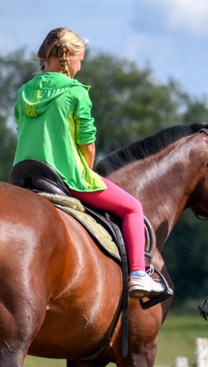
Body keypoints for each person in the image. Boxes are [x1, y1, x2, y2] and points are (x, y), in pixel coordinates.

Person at [13, 27, 165, 299]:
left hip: (24, 176)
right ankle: (139, 275)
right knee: (133, 207)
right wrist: (86, 170)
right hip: (66, 176)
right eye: (80, 60)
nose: (80, 66)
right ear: (67, 57)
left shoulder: (25, 92)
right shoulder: (75, 92)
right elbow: (87, 143)